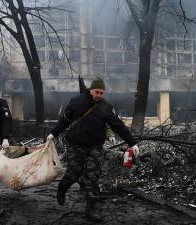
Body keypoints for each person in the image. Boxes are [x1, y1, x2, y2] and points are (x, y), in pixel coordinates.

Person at [47, 77, 139, 223]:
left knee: (93, 177)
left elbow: (118, 125)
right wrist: (53, 134)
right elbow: (64, 120)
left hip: (95, 147)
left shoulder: (105, 107)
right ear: (90, 90)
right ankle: (62, 188)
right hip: (76, 145)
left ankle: (90, 211)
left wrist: (132, 143)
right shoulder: (76, 102)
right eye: (97, 92)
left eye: (102, 93)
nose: (99, 96)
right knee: (73, 173)